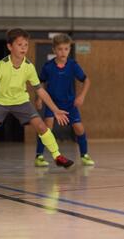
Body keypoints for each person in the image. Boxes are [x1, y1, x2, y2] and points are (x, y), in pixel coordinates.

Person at [0, 28, 74, 174]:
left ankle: (57, 156)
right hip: (1, 102)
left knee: (41, 126)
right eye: (20, 45)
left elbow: (40, 90)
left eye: (26, 45)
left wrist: (55, 109)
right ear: (10, 47)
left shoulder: (28, 67)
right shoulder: (1, 65)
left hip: (21, 101)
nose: (24, 48)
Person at [34, 33, 94, 167]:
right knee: (46, 128)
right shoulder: (48, 66)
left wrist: (81, 96)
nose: (63, 52)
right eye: (60, 49)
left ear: (69, 50)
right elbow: (40, 83)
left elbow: (87, 80)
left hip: (69, 103)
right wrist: (39, 99)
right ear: (54, 50)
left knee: (79, 128)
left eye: (66, 49)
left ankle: (84, 155)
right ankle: (39, 156)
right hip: (52, 103)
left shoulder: (73, 65)